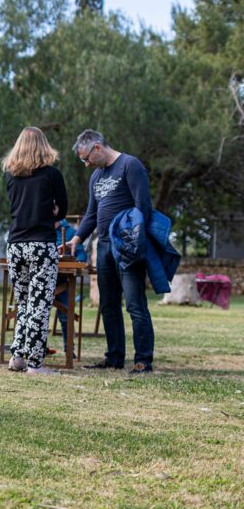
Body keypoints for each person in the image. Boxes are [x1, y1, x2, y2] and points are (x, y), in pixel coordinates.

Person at [67, 130, 156, 374]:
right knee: (108, 304)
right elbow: (92, 214)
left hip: (126, 246)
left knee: (135, 304)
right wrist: (77, 238)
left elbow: (143, 207)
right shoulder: (96, 177)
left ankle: (143, 359)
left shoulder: (130, 165)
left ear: (97, 148)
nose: (85, 164)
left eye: (86, 158)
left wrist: (134, 241)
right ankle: (114, 356)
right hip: (103, 246)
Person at [2, 127, 68, 374]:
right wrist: (51, 211)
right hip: (41, 243)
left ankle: (18, 355)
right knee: (40, 304)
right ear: (44, 146)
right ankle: (35, 363)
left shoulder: (10, 175)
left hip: (16, 244)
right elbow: (62, 210)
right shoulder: (52, 175)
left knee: (23, 302)